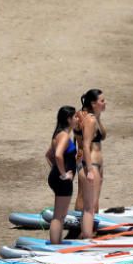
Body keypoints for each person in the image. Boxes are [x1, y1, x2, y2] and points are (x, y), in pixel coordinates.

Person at [45, 106, 79, 244]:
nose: (77, 119)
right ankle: (55, 245)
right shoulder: (64, 136)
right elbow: (58, 155)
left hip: (56, 178)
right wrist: (64, 174)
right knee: (59, 216)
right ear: (68, 119)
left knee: (59, 215)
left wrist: (56, 170)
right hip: (62, 180)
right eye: (75, 116)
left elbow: (48, 155)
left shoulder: (58, 134)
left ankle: (56, 243)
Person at [77, 89, 107, 239]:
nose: (105, 102)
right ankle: (86, 237)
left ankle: (89, 234)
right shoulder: (90, 120)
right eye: (102, 101)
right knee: (90, 206)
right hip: (92, 165)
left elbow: (104, 135)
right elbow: (86, 146)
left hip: (97, 165)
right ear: (93, 103)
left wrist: (98, 117)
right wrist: (89, 169)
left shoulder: (94, 118)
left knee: (93, 203)